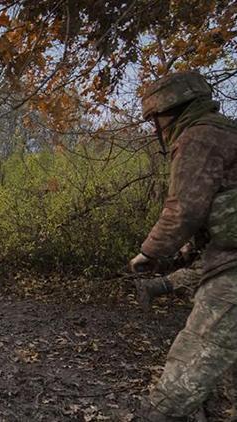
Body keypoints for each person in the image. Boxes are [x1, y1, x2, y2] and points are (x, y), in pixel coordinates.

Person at [128, 70, 237, 421]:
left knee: (192, 359)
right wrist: (188, 251)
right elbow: (217, 206)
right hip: (225, 255)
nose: (155, 129)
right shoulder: (227, 132)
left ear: (170, 110)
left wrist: (150, 251)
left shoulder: (198, 137)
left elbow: (184, 209)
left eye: (154, 120)